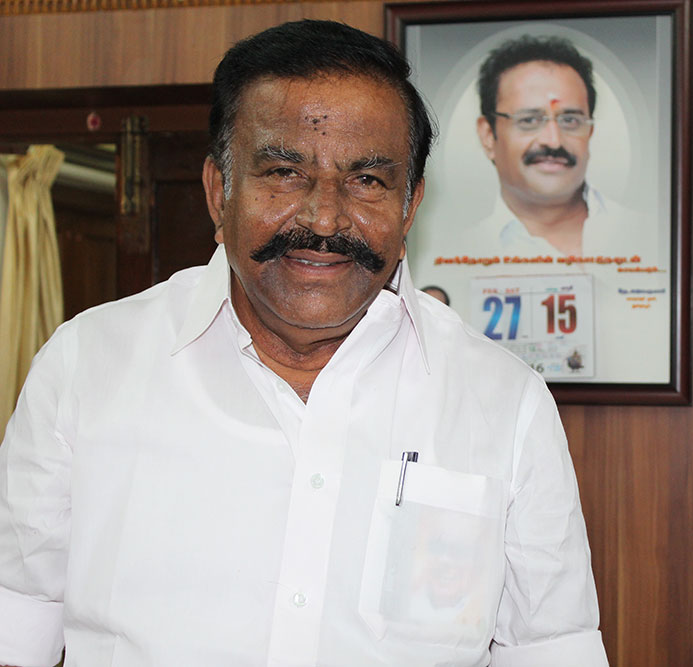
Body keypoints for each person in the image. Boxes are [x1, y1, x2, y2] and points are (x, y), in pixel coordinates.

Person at [0, 20, 608, 667]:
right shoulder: (87, 367)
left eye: (367, 180)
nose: (324, 218)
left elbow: (551, 649)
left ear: (409, 207)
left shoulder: (505, 404)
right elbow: (15, 628)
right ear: (219, 192)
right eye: (285, 172)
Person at [470, 34, 643, 258]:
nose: (553, 141)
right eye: (529, 120)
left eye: (570, 120)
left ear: (590, 132)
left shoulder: (645, 234)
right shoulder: (461, 252)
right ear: (487, 135)